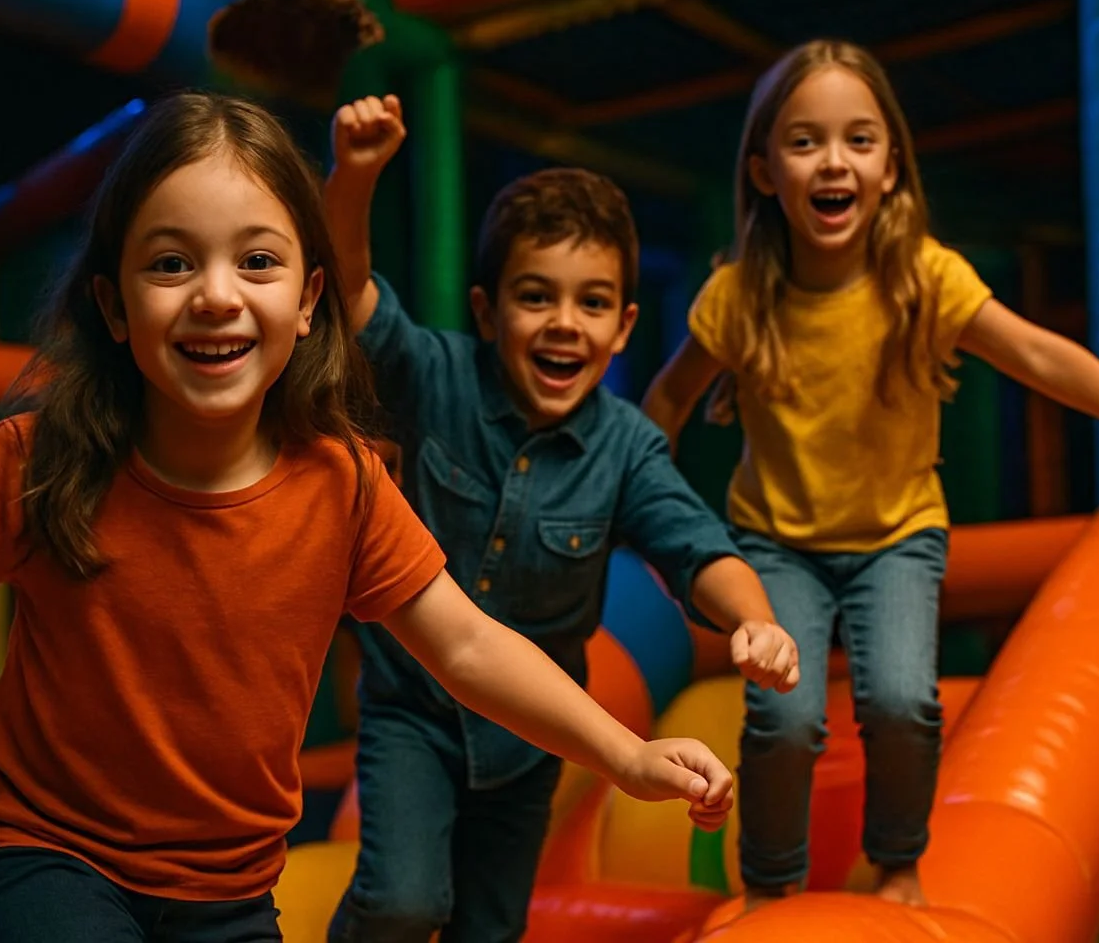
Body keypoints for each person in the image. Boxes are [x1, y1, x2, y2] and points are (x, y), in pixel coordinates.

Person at [0, 90, 739, 943]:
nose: (216, 294)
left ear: (309, 300)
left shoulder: (340, 484)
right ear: (116, 306)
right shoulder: (45, 462)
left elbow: (467, 645)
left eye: (257, 261)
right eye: (171, 264)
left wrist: (626, 753)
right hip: (50, 855)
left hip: (227, 889)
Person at [640, 38, 1099, 911]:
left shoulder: (923, 278)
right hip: (776, 543)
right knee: (785, 717)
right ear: (766, 171)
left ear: (891, 167)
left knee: (898, 705)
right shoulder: (740, 297)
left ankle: (896, 863)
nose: (834, 160)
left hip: (897, 536)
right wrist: (627, 503)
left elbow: (1040, 355)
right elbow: (664, 401)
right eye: (804, 141)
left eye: (859, 138)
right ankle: (770, 886)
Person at [321, 94, 800, 943]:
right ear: (486, 311)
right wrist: (355, 176)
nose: (562, 325)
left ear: (622, 328)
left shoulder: (625, 448)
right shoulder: (439, 377)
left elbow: (696, 547)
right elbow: (349, 297)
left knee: (491, 926)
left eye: (590, 305)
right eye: (535, 297)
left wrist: (755, 620)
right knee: (402, 903)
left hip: (530, 738)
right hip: (414, 714)